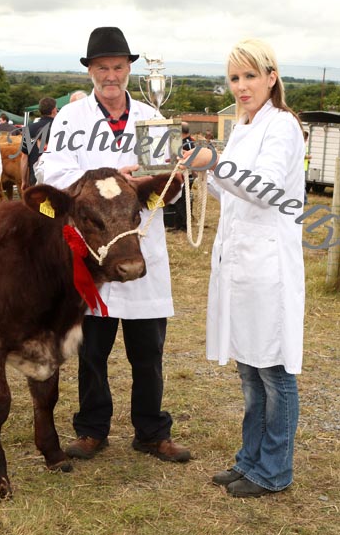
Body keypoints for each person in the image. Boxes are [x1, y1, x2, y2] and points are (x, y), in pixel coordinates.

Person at [44, 26, 190, 463]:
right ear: (90, 71)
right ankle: (92, 429)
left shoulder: (152, 117)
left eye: (119, 67)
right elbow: (53, 177)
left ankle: (151, 430)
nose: (111, 75)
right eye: (103, 67)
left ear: (130, 70)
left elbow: (170, 192)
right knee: (92, 352)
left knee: (148, 352)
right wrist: (111, 180)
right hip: (94, 256)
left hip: (142, 246)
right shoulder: (70, 120)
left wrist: (167, 182)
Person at [183, 38, 305, 498]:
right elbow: (231, 191)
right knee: (250, 371)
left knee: (273, 370)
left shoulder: (283, 126)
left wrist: (217, 164)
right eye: (235, 78)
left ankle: (274, 470)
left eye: (250, 76)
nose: (241, 86)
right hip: (238, 259)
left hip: (268, 261)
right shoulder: (243, 125)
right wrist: (206, 172)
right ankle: (250, 460)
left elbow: (267, 188)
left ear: (271, 77)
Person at [20, 97, 57, 189]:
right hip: (56, 179)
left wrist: (24, 180)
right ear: (54, 110)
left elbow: (24, 157)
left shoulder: (29, 129)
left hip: (35, 179)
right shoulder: (60, 127)